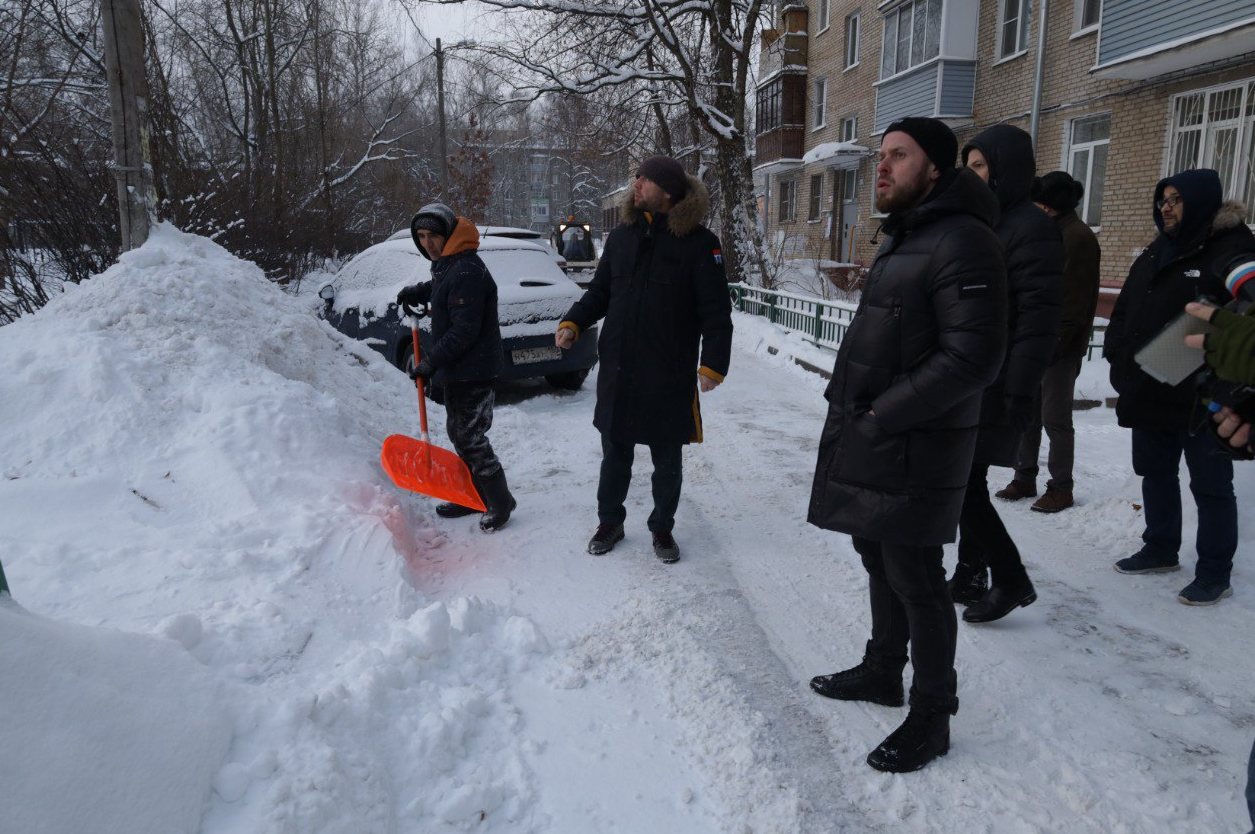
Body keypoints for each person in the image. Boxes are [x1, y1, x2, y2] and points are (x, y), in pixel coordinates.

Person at [807, 118, 1007, 773]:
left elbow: (972, 356)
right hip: (877, 434)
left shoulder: (961, 240)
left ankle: (930, 715)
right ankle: (881, 669)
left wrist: (881, 415)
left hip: (914, 443)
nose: (883, 167)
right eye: (881, 156)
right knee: (875, 553)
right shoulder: (910, 233)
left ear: (936, 168)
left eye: (898, 155)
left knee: (917, 578)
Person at [555, 155, 733, 563]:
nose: (635, 184)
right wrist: (574, 322)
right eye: (636, 177)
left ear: (667, 191)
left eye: (644, 179)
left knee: (666, 459)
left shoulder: (701, 244)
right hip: (619, 367)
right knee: (614, 453)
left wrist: (713, 364)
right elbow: (600, 292)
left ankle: (663, 528)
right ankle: (609, 521)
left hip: (669, 372)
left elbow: (715, 311)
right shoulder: (620, 237)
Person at [1103, 170, 1253, 605]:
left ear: (1203, 202)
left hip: (1203, 394)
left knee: (1210, 485)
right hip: (1151, 385)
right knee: (1155, 472)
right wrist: (1116, 355)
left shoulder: (1233, 250)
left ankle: (1214, 571)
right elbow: (1127, 306)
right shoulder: (1158, 249)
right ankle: (1160, 547)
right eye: (1163, 199)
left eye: (1176, 199)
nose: (1166, 207)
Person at [947, 125, 1063, 624]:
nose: (970, 174)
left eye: (979, 166)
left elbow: (1039, 319)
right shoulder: (991, 221)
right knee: (967, 476)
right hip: (976, 374)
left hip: (998, 378)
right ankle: (971, 573)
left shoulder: (1030, 228)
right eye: (966, 165)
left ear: (1005, 168)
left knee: (960, 482)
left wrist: (1020, 387)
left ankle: (1010, 578)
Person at [395, 202, 515, 532]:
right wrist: (421, 290)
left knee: (470, 436)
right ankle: (472, 495)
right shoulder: (451, 264)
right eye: (420, 236)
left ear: (448, 234)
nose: (427, 243)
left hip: (473, 369)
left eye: (434, 235)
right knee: (460, 433)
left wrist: (430, 362)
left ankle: (500, 501)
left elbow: (465, 329)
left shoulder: (465, 271)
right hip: (461, 368)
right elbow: (444, 287)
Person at [996, 172, 1100, 513]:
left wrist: (1052, 345)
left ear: (1053, 205)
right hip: (1037, 341)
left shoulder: (1077, 237)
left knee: (1055, 418)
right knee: (1028, 412)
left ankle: (1061, 488)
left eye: (1041, 202)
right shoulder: (1051, 232)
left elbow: (1075, 301)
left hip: (1059, 347)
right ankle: (1025, 477)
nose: (1036, 208)